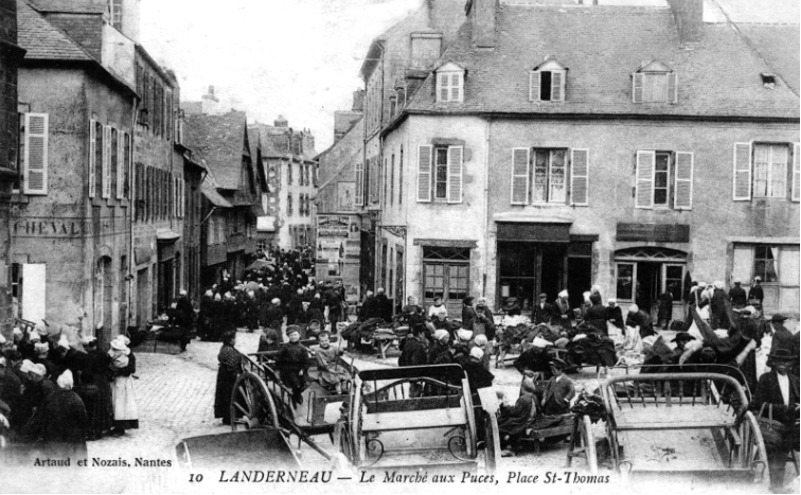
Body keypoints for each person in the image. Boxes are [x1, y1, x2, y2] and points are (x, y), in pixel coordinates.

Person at [751, 349, 799, 492]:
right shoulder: (766, 378)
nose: (783, 364)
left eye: (787, 361)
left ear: (791, 363)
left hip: (790, 423)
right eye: (780, 361)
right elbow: (757, 403)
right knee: (777, 447)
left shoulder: (795, 380)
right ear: (774, 362)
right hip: (771, 424)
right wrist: (785, 408)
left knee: (788, 442)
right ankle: (776, 486)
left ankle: (781, 483)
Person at [29, 370, 89, 459]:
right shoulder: (76, 399)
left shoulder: (49, 397)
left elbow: (41, 417)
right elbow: (83, 420)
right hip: (72, 439)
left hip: (52, 438)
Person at [77, 335, 113, 440]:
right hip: (103, 382)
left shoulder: (89, 357)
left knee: (93, 407)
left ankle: (93, 432)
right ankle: (102, 429)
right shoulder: (103, 353)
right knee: (102, 405)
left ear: (88, 346)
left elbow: (87, 373)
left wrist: (81, 375)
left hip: (93, 383)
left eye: (85, 347)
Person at [108, 336, 138, 436]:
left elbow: (132, 369)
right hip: (115, 382)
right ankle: (115, 425)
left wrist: (118, 372)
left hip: (123, 382)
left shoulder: (129, 356)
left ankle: (120, 428)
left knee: (121, 404)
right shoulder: (113, 354)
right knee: (115, 403)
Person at [498, 379, 538, 457]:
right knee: (505, 421)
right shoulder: (533, 397)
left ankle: (508, 448)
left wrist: (505, 406)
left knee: (501, 425)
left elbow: (515, 412)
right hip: (530, 419)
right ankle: (511, 445)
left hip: (522, 421)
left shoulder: (523, 398)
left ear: (523, 388)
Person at [214, 331, 242, 425]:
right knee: (230, 396)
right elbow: (231, 365)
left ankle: (228, 417)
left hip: (224, 376)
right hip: (229, 377)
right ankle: (230, 417)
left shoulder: (225, 348)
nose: (235, 340)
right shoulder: (229, 351)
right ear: (230, 340)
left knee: (226, 397)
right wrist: (237, 374)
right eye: (234, 338)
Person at [276, 326, 309, 406]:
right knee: (295, 383)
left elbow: (306, 361)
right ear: (288, 336)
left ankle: (296, 392)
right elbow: (278, 357)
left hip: (299, 368)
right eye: (291, 335)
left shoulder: (302, 348)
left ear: (299, 335)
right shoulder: (285, 347)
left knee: (305, 383)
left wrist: (303, 369)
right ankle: (296, 396)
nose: (293, 337)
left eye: (295, 335)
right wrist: (280, 366)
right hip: (288, 369)